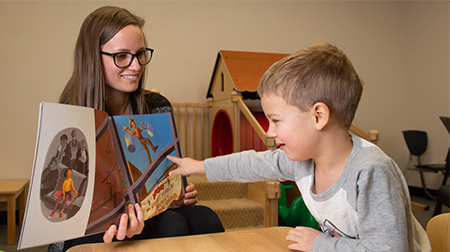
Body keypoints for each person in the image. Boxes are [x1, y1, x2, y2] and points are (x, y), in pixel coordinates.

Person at [168, 43, 432, 251]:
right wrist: (199, 166)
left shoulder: (371, 171)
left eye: (276, 120)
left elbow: (387, 250)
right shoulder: (303, 162)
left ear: (318, 116)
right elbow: (252, 163)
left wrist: (319, 244)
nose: (269, 132)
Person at [50, 5, 224, 252]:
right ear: (92, 57)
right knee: (171, 225)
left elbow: (167, 175)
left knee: (206, 218)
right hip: (91, 229)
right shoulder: (69, 116)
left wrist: (177, 195)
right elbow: (65, 213)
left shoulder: (157, 108)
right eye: (121, 56)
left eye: (140, 53)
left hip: (146, 216)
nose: (136, 66)